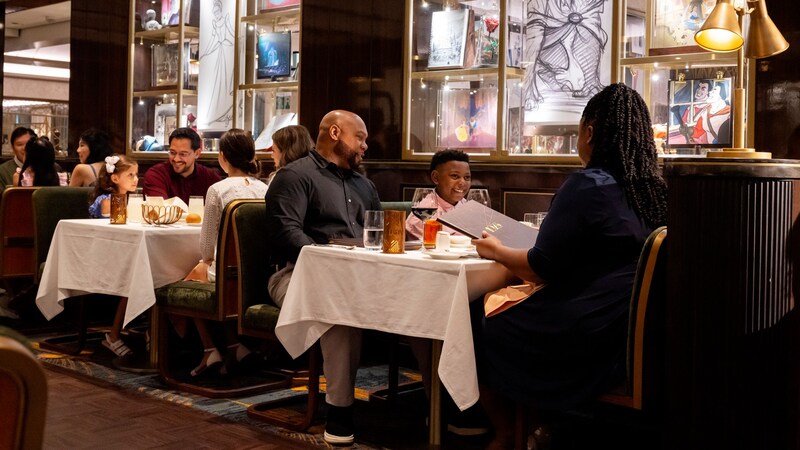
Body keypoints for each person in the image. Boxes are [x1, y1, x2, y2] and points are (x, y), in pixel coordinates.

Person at [471, 83, 668, 449]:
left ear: (589, 133)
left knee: (473, 316)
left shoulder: (587, 185)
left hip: (582, 334)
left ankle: (508, 431)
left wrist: (496, 250)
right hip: (626, 329)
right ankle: (538, 424)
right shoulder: (654, 189)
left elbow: (540, 267)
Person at [265, 110, 380, 445]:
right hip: (296, 275)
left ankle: (438, 404)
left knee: (422, 299)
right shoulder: (294, 176)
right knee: (338, 309)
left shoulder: (365, 185)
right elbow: (285, 234)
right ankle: (340, 412)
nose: (365, 145)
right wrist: (330, 263)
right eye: (359, 137)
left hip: (359, 277)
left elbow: (379, 233)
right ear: (334, 132)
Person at [182, 128, 268, 376]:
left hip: (227, 272)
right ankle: (234, 346)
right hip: (257, 273)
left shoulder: (218, 190)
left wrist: (205, 262)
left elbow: (207, 246)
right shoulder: (263, 189)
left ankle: (210, 349)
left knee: (187, 277)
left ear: (222, 157)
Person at [87, 155, 140, 357]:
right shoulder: (107, 201)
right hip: (104, 255)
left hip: (122, 254)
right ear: (115, 179)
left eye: (136, 175)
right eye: (130, 175)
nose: (136, 179)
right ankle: (114, 335)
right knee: (133, 277)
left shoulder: (130, 199)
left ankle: (150, 331)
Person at [405, 149, 471, 240]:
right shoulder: (424, 212)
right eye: (455, 176)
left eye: (467, 177)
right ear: (436, 177)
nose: (462, 182)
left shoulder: (470, 207)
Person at [143, 127, 222, 203]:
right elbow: (160, 210)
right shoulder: (156, 175)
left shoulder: (210, 178)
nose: (176, 159)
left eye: (183, 154)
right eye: (172, 153)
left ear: (197, 153)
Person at [0, 127, 36, 192]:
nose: (25, 148)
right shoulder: (2, 171)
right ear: (13, 148)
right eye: (20, 144)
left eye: (29, 144)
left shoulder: (52, 167)